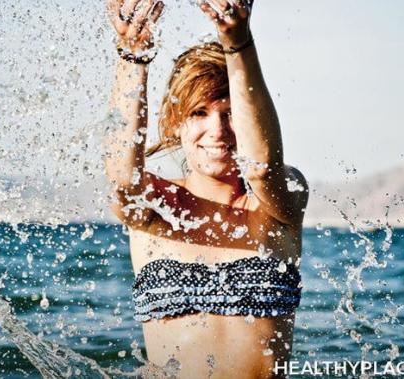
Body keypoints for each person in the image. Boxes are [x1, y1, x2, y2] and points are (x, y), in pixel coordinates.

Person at [104, 0, 309, 377]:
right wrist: (133, 55)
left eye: (229, 113)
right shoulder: (156, 208)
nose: (217, 131)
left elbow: (261, 170)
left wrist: (237, 41)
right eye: (199, 113)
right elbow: (121, 180)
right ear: (176, 123)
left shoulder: (281, 202)